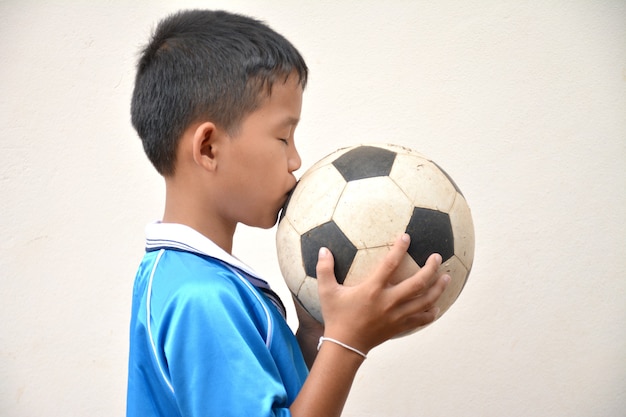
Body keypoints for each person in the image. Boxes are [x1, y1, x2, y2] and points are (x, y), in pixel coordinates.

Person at [126, 9, 450, 417]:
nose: (295, 159)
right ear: (209, 148)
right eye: (283, 137)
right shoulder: (201, 300)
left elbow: (275, 401)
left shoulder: (185, 276)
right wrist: (347, 344)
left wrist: (316, 334)